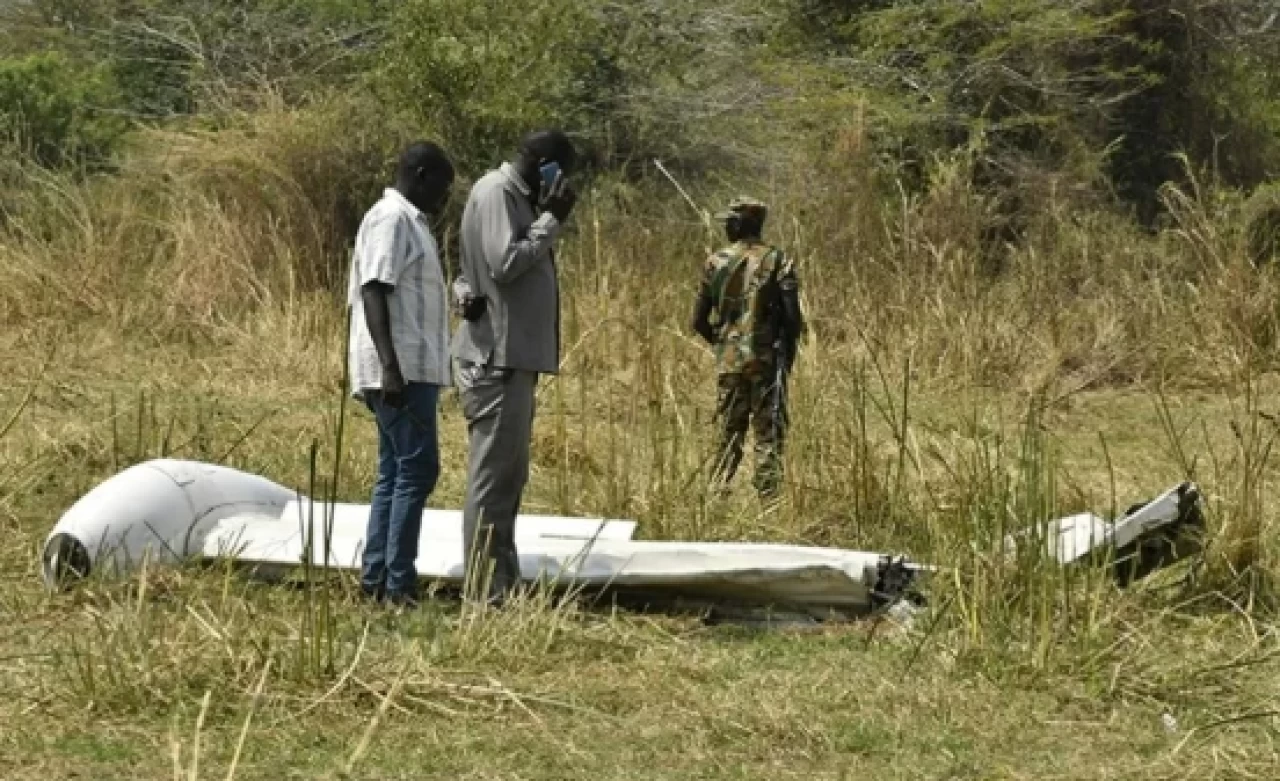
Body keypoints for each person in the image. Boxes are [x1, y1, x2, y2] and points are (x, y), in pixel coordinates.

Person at [451, 129, 578, 605]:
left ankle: (502, 583)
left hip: (511, 358)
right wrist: (551, 220)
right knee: (491, 482)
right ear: (545, 162)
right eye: (561, 170)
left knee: (507, 478)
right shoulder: (498, 192)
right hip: (497, 361)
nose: (563, 182)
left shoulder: (510, 196)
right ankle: (485, 592)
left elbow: (471, 273)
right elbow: (504, 262)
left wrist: (464, 295)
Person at [347, 141, 455, 607]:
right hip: (400, 369)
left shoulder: (411, 222)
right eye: (442, 188)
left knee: (395, 471)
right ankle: (397, 585)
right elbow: (374, 289)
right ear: (421, 173)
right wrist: (390, 366)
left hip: (412, 366)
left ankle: (377, 579)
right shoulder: (392, 219)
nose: (444, 199)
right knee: (417, 468)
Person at [690, 196, 804, 502]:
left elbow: (698, 320)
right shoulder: (779, 261)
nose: (726, 226)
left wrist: (723, 343)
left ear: (742, 223)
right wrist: (786, 352)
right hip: (767, 362)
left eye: (730, 221)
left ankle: (717, 496)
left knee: (728, 432)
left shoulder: (715, 262)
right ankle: (768, 500)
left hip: (730, 362)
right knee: (768, 434)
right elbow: (793, 319)